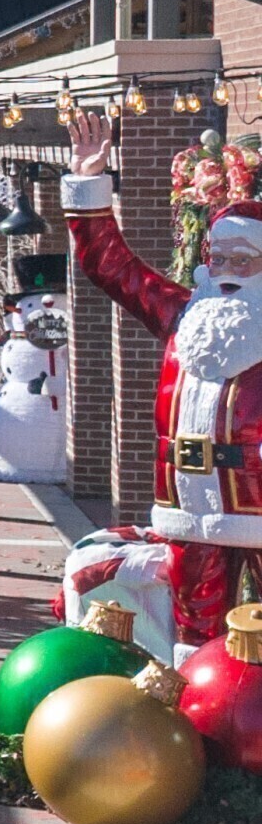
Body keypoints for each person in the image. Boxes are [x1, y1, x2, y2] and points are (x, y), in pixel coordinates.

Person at [65, 109, 262, 654]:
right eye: (218, 257)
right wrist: (88, 182)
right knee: (195, 632)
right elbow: (112, 268)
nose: (226, 270)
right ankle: (197, 704)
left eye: (243, 260)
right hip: (188, 505)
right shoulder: (185, 315)